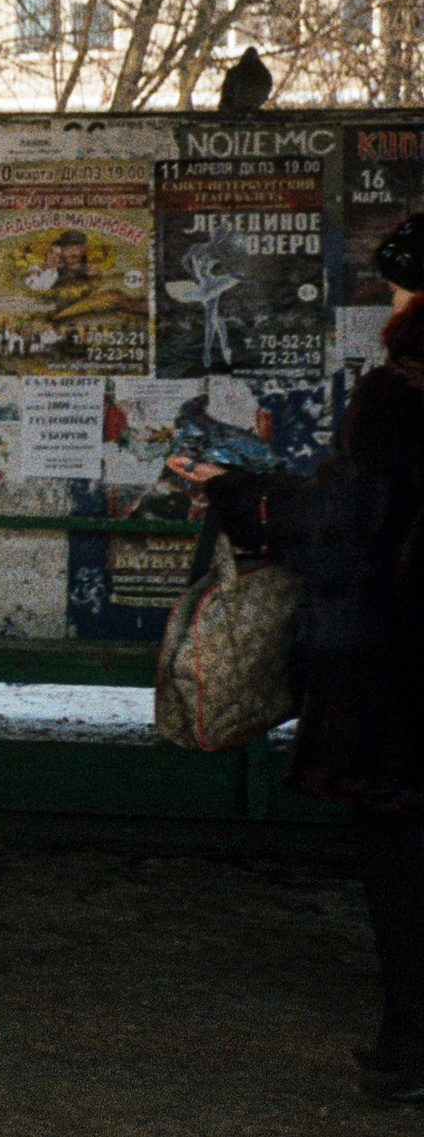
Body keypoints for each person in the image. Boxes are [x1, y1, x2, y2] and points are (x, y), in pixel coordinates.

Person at [176, 212, 424, 1106]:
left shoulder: (404, 392)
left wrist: (239, 492)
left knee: (403, 870)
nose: (391, 301)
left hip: (402, 683)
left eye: (400, 285)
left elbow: (342, 524)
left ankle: (411, 1052)